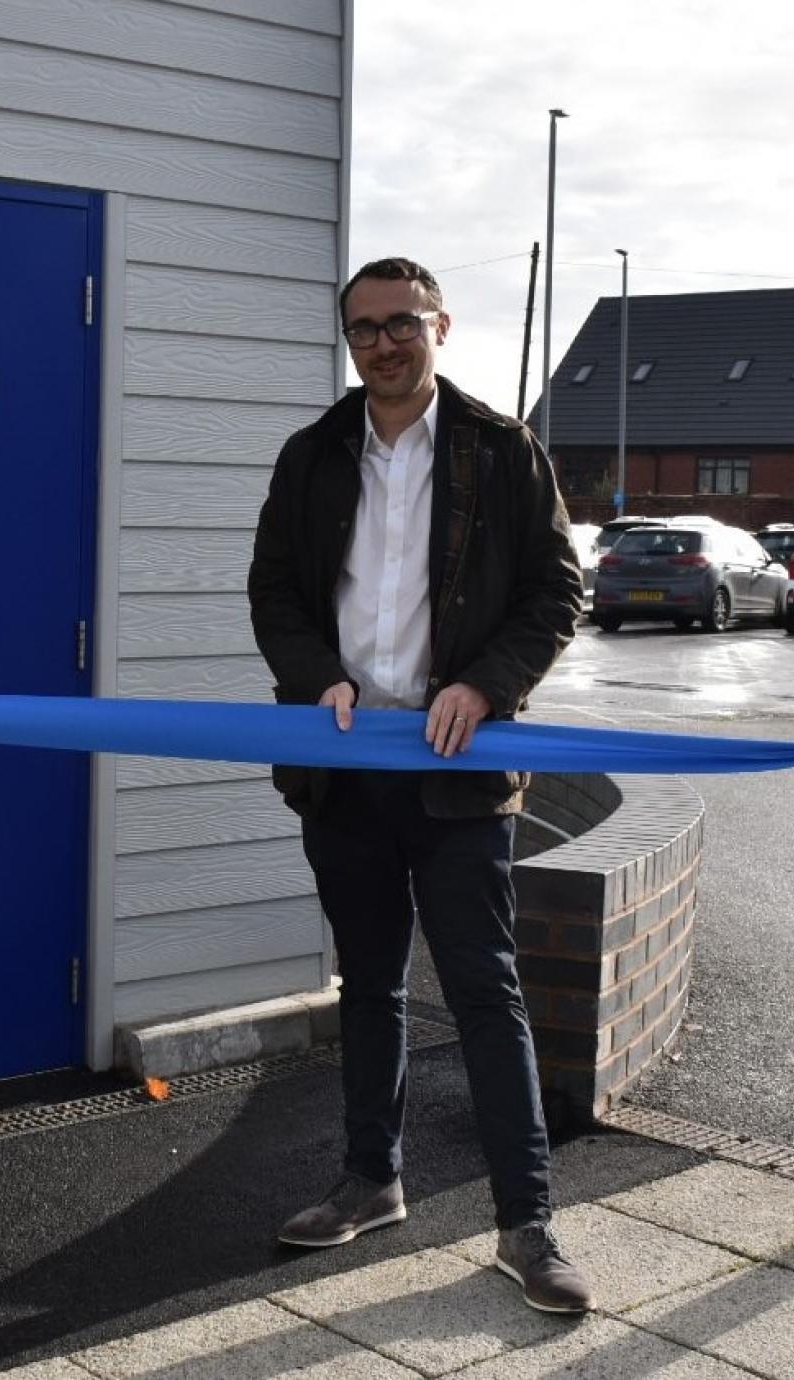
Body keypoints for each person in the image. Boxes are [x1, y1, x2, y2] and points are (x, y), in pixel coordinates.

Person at [246, 257, 593, 1314]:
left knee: (484, 992)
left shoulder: (500, 450)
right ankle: (369, 1179)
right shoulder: (311, 456)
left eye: (401, 324)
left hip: (455, 771)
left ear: (440, 325)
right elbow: (272, 592)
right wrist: (317, 680)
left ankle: (525, 1224)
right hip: (345, 764)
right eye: (362, 330)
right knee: (368, 983)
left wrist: (487, 686)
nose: (382, 345)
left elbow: (555, 588)